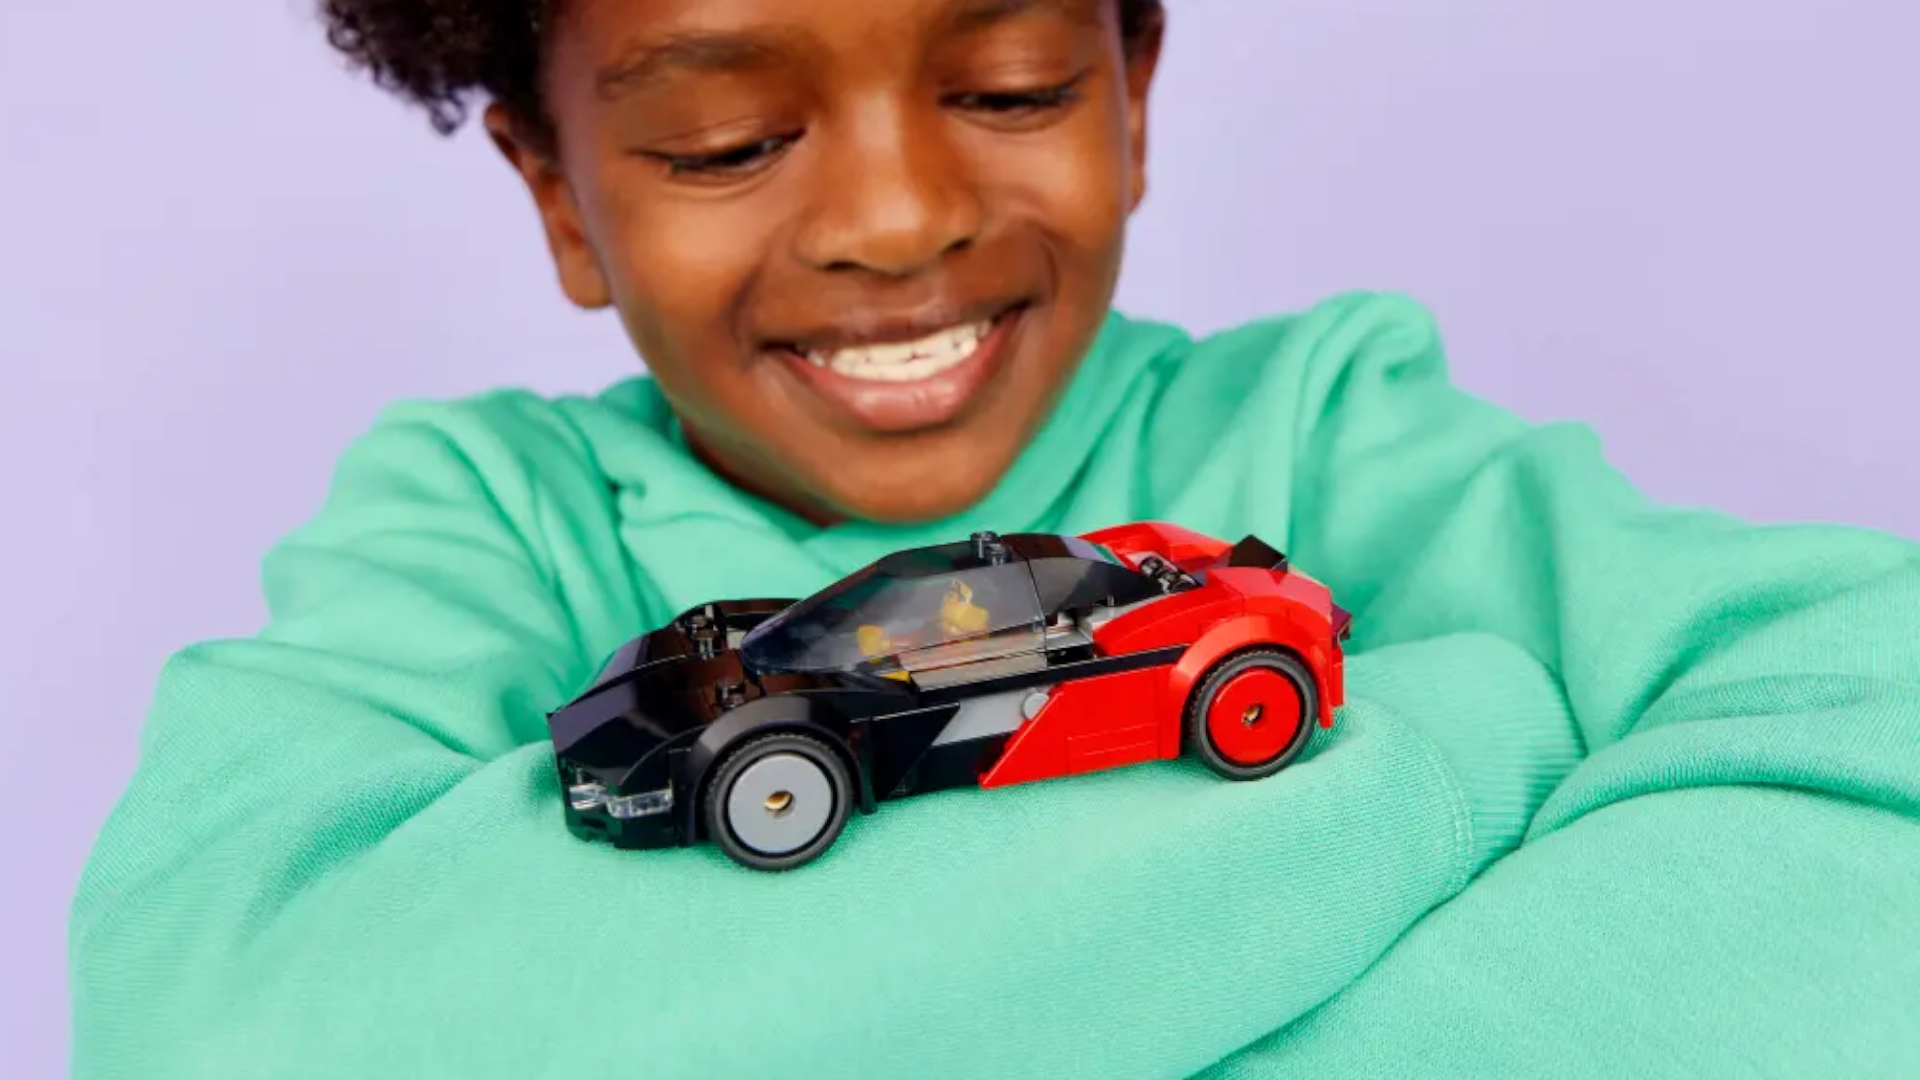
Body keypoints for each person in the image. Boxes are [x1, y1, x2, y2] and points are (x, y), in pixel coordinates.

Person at [69, 1, 1920, 1077]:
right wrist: (1463, 741)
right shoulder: (480, 516)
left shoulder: (1323, 426)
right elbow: (219, 1026)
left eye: (1013, 87)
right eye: (723, 141)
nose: (896, 219)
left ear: (1134, 95)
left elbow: (1875, 733)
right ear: (559, 194)